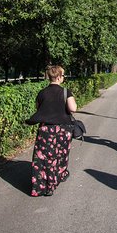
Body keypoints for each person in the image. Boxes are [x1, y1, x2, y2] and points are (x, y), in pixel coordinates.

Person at [27, 65, 77, 197]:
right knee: (60, 155)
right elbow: (73, 109)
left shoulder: (42, 93)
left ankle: (41, 186)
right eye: (63, 76)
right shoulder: (66, 92)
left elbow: (38, 108)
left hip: (45, 129)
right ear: (59, 77)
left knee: (43, 157)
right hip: (62, 130)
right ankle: (56, 179)